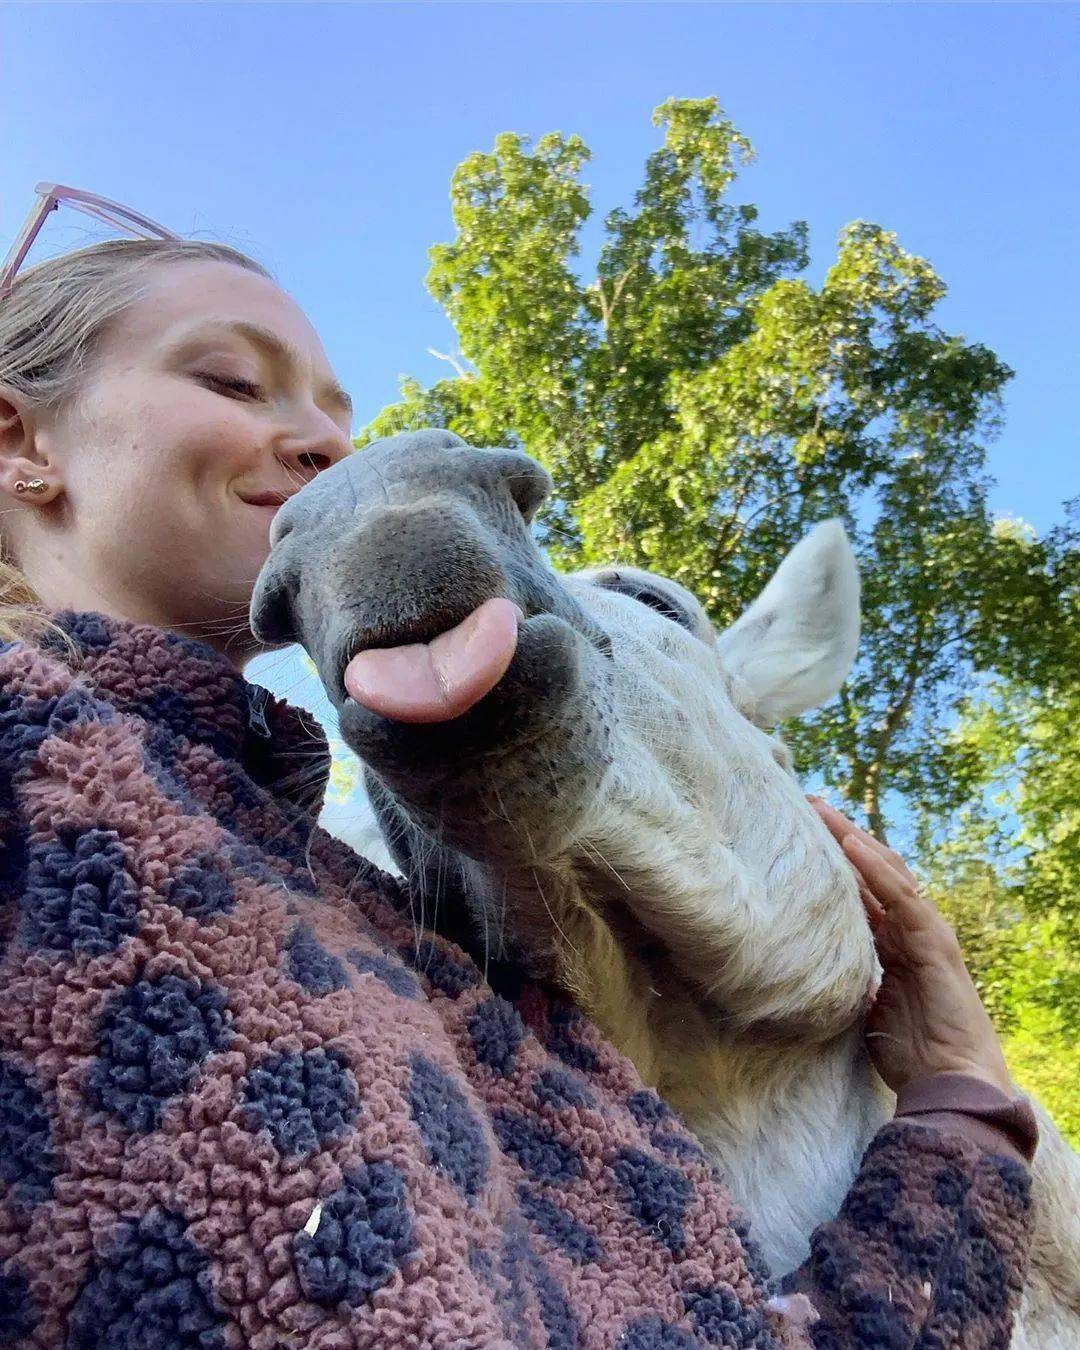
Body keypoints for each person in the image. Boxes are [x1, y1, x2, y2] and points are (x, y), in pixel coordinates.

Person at [0, 228, 1037, 1349]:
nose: (327, 447)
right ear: (19, 439)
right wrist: (967, 1116)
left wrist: (958, 1114)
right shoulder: (44, 781)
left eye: (339, 417)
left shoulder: (345, 904)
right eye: (232, 381)